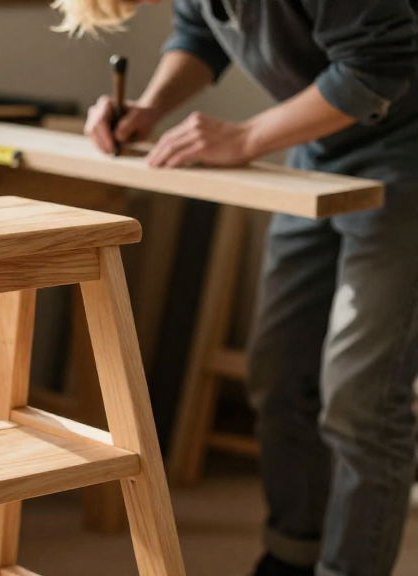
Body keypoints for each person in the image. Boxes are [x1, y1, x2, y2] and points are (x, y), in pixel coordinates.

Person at [55, 1, 418, 576]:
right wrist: (149, 108)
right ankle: (293, 557)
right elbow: (200, 31)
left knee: (362, 401)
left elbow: (380, 64)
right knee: (279, 373)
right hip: (320, 153)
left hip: (408, 154)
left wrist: (247, 137)